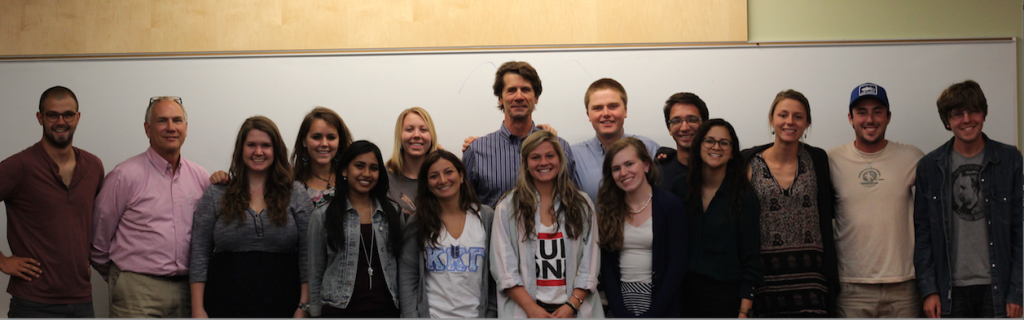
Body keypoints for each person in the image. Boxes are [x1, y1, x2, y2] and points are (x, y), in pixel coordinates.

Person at [91, 96, 210, 318]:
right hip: (138, 293)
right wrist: (125, 280)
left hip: (188, 292)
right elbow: (98, 242)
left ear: (186, 128)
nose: (171, 127)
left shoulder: (201, 177)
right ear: (147, 129)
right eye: (162, 121)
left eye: (177, 120)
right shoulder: (124, 176)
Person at [914, 80, 1022, 318]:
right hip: (948, 290)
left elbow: (1020, 230)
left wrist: (1017, 290)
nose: (966, 119)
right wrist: (929, 290)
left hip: (998, 287)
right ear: (947, 120)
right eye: (957, 114)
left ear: (984, 113)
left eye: (974, 111)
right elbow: (923, 236)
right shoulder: (929, 167)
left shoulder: (1009, 160)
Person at [188, 116, 312, 317]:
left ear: (276, 150)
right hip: (223, 304)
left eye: (266, 145)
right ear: (240, 150)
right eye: (251, 145)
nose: (258, 151)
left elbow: (308, 256)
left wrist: (303, 307)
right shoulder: (216, 194)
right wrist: (197, 309)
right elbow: (199, 254)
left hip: (284, 303)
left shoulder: (296, 193)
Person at [0, 86, 103, 317]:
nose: (60, 121)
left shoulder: (94, 167)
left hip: (82, 300)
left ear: (77, 118)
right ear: (40, 118)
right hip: (32, 302)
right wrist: (3, 262)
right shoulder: (20, 166)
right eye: (52, 115)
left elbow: (95, 224)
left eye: (68, 114)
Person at [828, 83, 924, 318]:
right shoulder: (830, 160)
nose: (870, 119)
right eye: (862, 112)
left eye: (877, 111)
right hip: (851, 287)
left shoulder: (912, 158)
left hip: (904, 287)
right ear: (850, 118)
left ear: (888, 117)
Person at [741, 90, 840, 317]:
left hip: (812, 278)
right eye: (783, 115)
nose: (789, 122)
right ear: (771, 120)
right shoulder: (747, 161)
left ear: (807, 123)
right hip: (764, 278)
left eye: (798, 116)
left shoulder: (818, 160)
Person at [491, 130, 601, 318]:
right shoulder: (507, 207)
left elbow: (590, 264)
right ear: (525, 163)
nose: (543, 162)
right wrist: (531, 309)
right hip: (524, 311)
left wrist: (572, 306)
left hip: (576, 310)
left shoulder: (582, 204)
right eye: (536, 157)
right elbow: (504, 270)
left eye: (550, 155)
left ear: (560, 159)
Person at [673, 119, 763, 318]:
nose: (716, 147)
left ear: (732, 152)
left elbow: (751, 260)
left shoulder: (744, 198)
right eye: (709, 141)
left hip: (726, 300)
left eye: (724, 143)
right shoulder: (680, 188)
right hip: (682, 298)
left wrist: (744, 312)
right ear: (699, 146)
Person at [307, 140, 404, 318]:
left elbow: (402, 267)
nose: (366, 174)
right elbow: (314, 272)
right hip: (338, 310)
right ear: (345, 170)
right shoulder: (322, 215)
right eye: (359, 166)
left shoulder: (393, 212)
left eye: (373, 168)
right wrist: (314, 313)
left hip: (386, 310)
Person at [463, 61, 580, 208]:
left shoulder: (560, 147)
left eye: (525, 90)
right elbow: (465, 210)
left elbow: (571, 201)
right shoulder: (476, 150)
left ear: (536, 98)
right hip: (493, 231)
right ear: (500, 98)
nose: (519, 97)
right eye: (511, 90)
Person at [399, 150, 496, 318]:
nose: (443, 180)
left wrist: (491, 313)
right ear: (427, 184)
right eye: (434, 176)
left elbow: (495, 276)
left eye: (449, 172)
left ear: (461, 175)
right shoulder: (418, 222)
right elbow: (408, 277)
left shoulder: (486, 218)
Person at [596, 137, 687, 317]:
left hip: (662, 303)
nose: (623, 172)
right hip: (620, 303)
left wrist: (653, 314)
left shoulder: (670, 205)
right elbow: (606, 268)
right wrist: (620, 311)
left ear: (646, 165)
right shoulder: (610, 208)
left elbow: (677, 265)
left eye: (629, 164)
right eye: (616, 168)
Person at [570, 78, 659, 203]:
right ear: (588, 115)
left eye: (613, 106)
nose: (606, 113)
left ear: (625, 111)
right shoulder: (573, 156)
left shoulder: (649, 147)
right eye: (598, 108)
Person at [293, 107, 354, 209]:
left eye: (331, 137)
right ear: (304, 141)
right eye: (316, 137)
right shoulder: (290, 182)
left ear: (339, 141)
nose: (324, 144)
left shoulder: (351, 180)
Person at [386, 107, 440, 216]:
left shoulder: (443, 176)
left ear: (432, 136)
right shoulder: (384, 176)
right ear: (399, 136)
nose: (416, 135)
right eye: (409, 129)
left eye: (423, 130)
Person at [656, 92, 709, 191]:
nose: (684, 128)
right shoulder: (658, 175)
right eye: (676, 121)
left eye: (692, 119)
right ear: (669, 128)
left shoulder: (721, 170)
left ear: (705, 125)